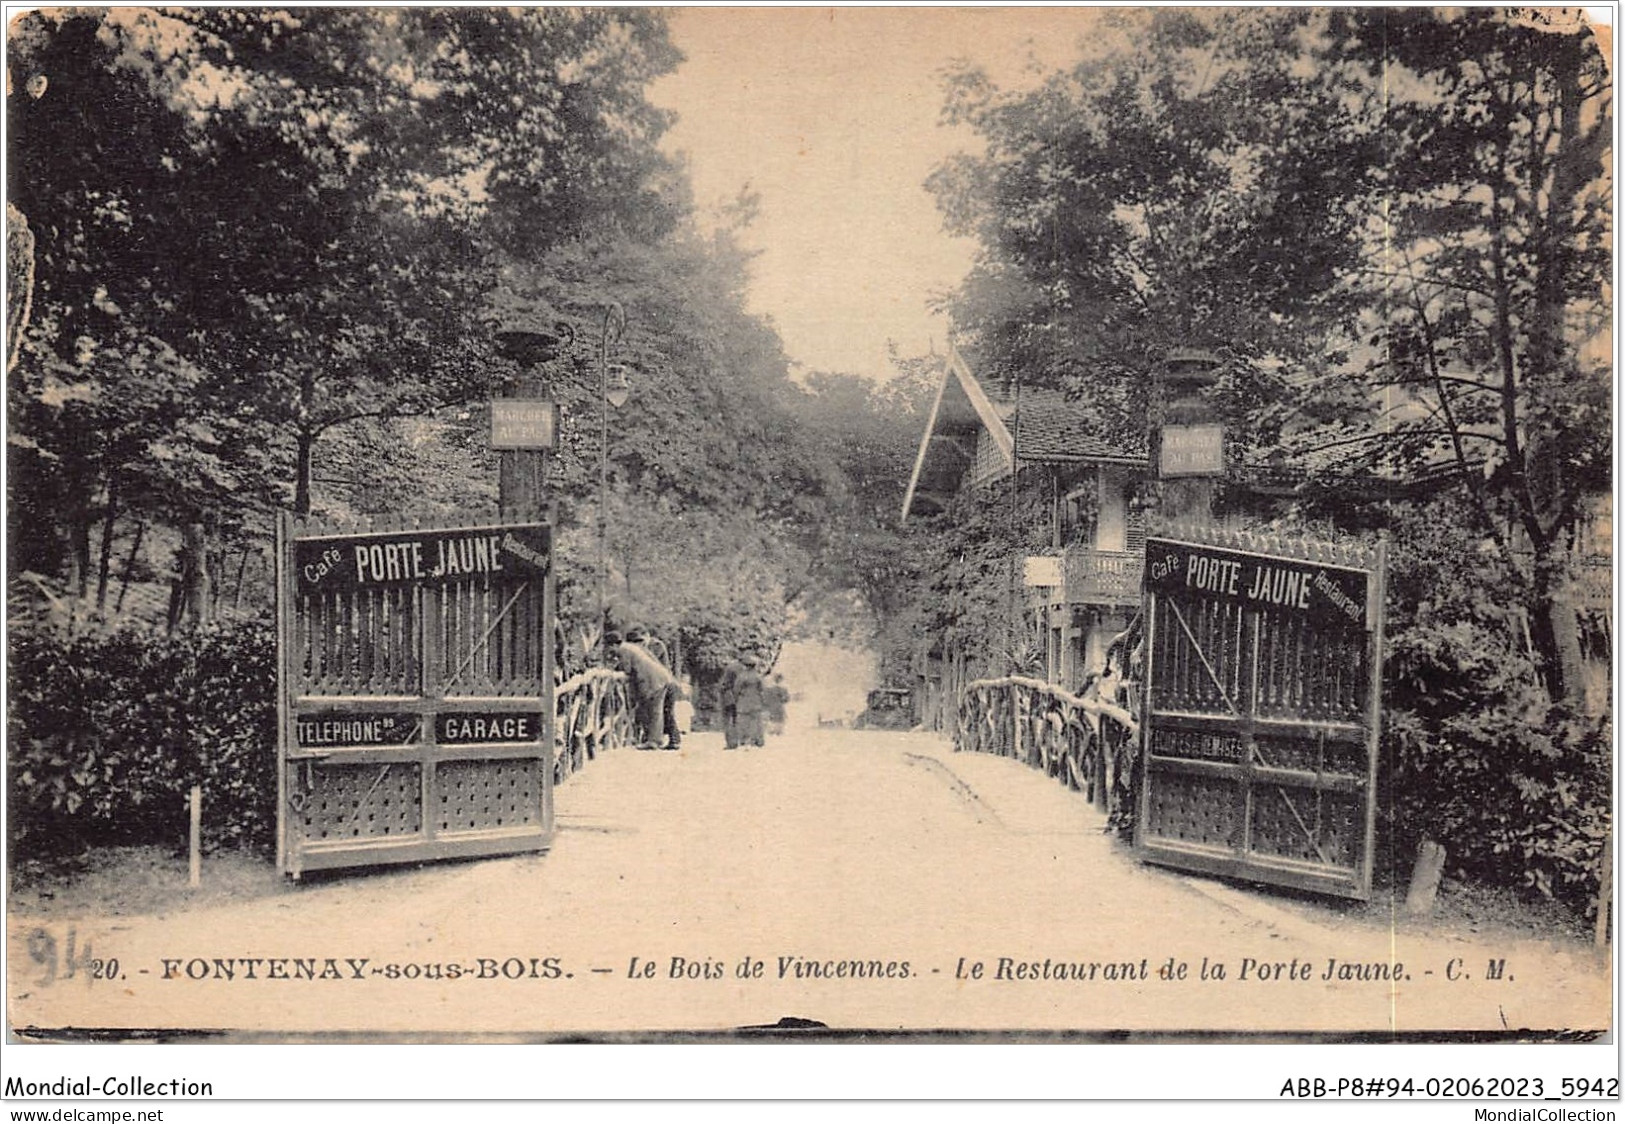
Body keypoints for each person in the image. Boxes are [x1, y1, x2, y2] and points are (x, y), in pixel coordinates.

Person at [613, 628, 681, 751]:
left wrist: (616, 672)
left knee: (656, 710)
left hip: (655, 681)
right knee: (656, 710)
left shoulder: (624, 649)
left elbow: (626, 669)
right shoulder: (635, 648)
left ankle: (654, 741)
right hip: (660, 678)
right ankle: (655, 739)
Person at [731, 657, 767, 748]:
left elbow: (736, 690)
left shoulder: (741, 677)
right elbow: (762, 690)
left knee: (743, 722)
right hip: (756, 702)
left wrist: (736, 700)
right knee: (756, 722)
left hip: (743, 703)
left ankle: (744, 740)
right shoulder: (758, 677)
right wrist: (762, 701)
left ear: (746, 666)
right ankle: (757, 741)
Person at [718, 656, 747, 749]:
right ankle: (741, 741)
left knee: (728, 720)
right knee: (738, 720)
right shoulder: (746, 669)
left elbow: (724, 684)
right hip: (741, 698)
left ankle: (731, 743)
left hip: (729, 697)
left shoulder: (731, 667)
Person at [765, 673, 790, 738]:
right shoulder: (784, 689)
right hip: (780, 709)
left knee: (771, 729)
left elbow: (765, 700)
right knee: (779, 730)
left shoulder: (769, 689)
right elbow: (786, 699)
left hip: (771, 709)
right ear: (781, 680)